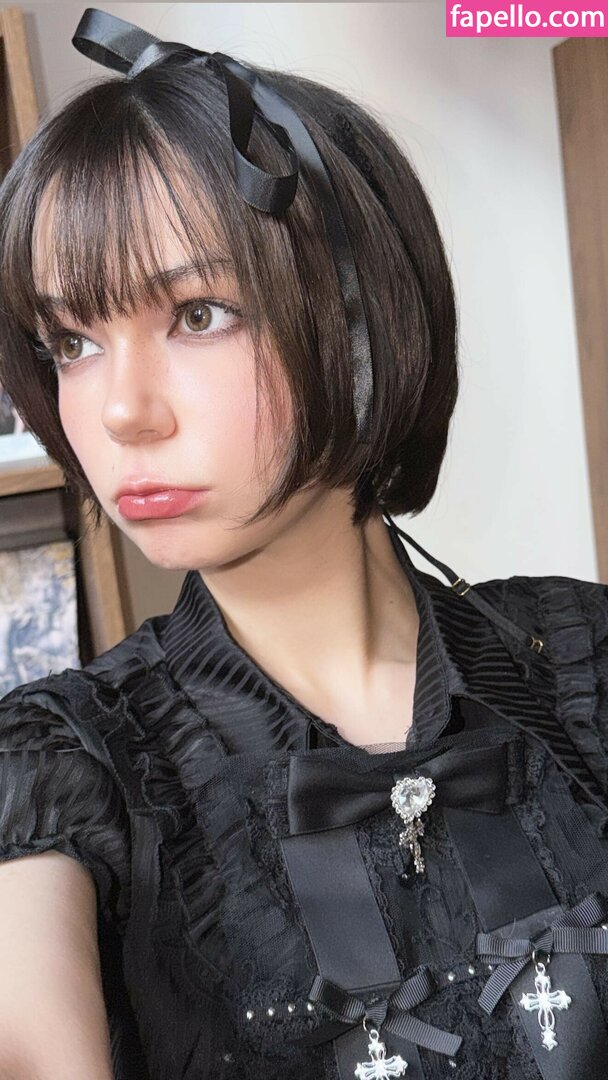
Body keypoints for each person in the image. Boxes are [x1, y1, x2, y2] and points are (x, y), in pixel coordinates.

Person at [0, 8, 607, 1080]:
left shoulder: (583, 655)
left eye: (198, 315)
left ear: (360, 325)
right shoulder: (62, 768)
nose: (121, 411)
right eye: (73, 342)